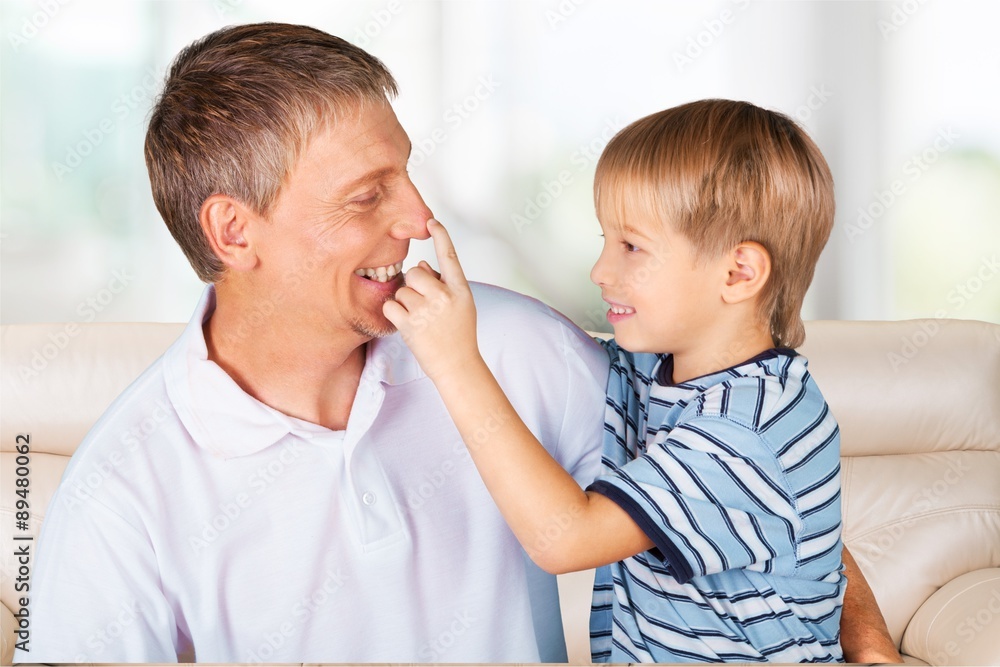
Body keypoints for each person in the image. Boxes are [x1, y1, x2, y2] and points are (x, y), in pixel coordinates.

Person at [15, 23, 899, 664]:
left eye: (406, 172)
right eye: (368, 194)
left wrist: (868, 645)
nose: (419, 216)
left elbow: (744, 493)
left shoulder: (508, 346)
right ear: (234, 232)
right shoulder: (120, 493)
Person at [384, 100, 875, 662]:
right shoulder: (657, 371)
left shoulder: (747, 428)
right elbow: (548, 357)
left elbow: (565, 538)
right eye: (605, 240)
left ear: (738, 273)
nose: (600, 271)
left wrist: (454, 361)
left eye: (632, 247)